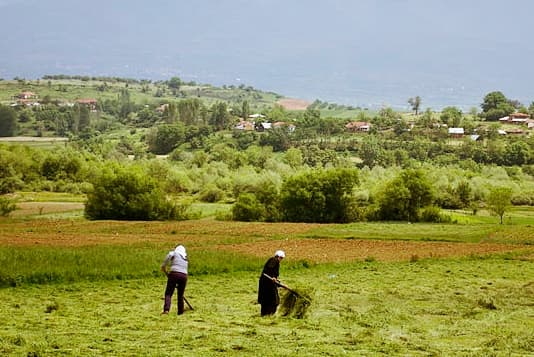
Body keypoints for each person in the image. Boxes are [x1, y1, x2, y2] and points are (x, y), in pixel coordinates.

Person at [161, 244, 188, 315]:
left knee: (168, 293)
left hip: (174, 274)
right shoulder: (185, 258)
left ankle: (166, 310)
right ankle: (180, 312)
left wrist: (163, 266)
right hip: (184, 276)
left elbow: (169, 255)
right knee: (180, 295)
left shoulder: (175, 253)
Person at [258, 250, 285, 316]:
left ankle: (265, 314)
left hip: (267, 283)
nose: (281, 260)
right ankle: (269, 314)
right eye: (281, 258)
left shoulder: (273, 261)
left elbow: (272, 273)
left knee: (267, 300)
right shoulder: (274, 260)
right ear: (278, 257)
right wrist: (273, 277)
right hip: (267, 284)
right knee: (273, 300)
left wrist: (277, 281)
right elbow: (269, 270)